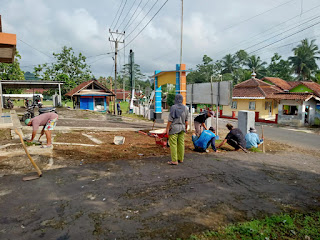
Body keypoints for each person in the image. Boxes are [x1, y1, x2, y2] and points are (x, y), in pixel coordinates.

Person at [166, 94, 189, 165]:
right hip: (182, 128)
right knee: (181, 144)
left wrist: (167, 129)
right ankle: (181, 159)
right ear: (182, 100)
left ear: (175, 99)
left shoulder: (173, 107)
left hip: (174, 128)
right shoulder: (186, 108)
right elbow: (186, 121)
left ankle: (174, 160)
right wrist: (186, 128)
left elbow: (170, 120)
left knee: (173, 144)